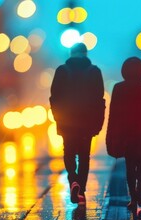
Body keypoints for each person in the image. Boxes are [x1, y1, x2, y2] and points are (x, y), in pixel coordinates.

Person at [50, 43, 105, 205]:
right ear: (86, 54)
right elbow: (99, 99)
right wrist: (98, 122)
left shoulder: (62, 71)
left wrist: (57, 117)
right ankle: (81, 189)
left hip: (67, 121)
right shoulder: (94, 71)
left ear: (71, 53)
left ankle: (73, 180)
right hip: (87, 122)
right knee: (84, 156)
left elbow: (54, 97)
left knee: (69, 153)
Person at [106, 57, 141, 212]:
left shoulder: (119, 88)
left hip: (126, 132)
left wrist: (111, 134)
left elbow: (113, 113)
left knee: (130, 166)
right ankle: (139, 193)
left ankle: (133, 197)